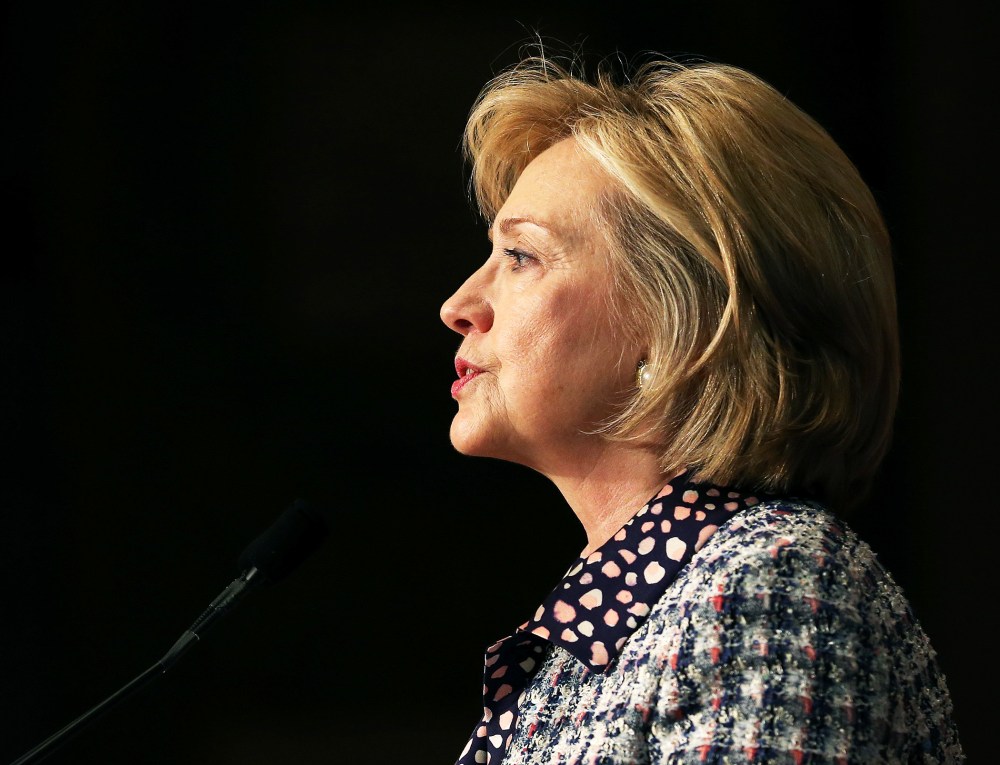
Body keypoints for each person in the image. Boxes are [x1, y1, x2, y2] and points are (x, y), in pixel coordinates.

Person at [439, 48, 964, 765]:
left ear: (681, 320)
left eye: (521, 256)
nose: (459, 306)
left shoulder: (775, 584)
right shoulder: (598, 635)